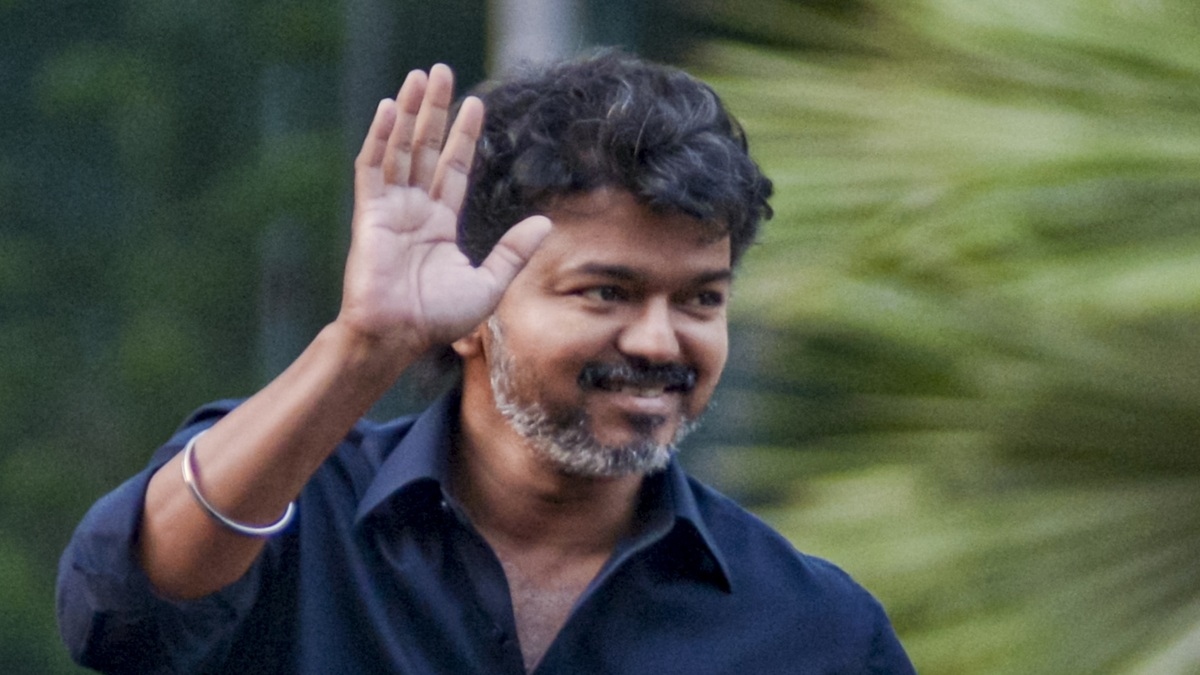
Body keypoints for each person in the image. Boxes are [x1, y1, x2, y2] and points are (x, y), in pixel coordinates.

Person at [57, 52, 916, 674]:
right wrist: (363, 346)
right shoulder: (293, 514)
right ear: (473, 310)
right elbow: (120, 610)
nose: (660, 341)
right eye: (606, 292)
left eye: (700, 299)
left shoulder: (816, 631)